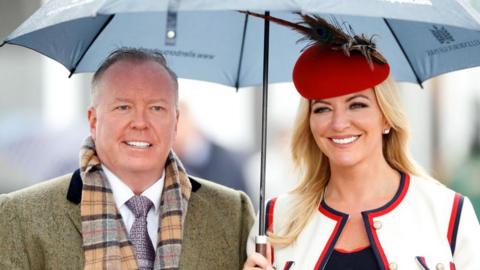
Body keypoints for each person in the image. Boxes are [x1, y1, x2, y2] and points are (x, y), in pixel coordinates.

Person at [243, 13, 480, 270]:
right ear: (309, 123)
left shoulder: (448, 213)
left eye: (357, 105)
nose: (339, 123)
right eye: (322, 109)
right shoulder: (275, 219)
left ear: (387, 118)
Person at [0, 48, 254, 270]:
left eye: (156, 108)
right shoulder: (20, 216)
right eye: (123, 107)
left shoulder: (232, 213)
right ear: (93, 120)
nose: (140, 123)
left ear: (175, 122)